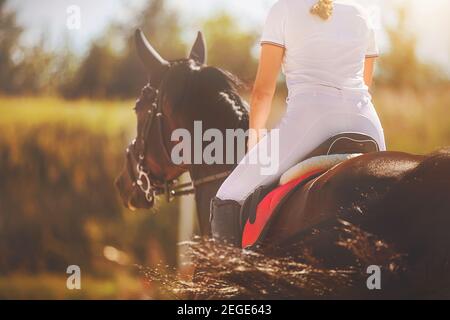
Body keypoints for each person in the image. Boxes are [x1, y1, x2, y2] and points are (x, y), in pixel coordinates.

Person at [210, 0, 386, 245]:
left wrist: (255, 139)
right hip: (367, 124)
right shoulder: (361, 13)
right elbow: (366, 83)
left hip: (311, 121)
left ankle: (224, 279)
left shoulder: (283, 9)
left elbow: (262, 91)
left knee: (229, 193)